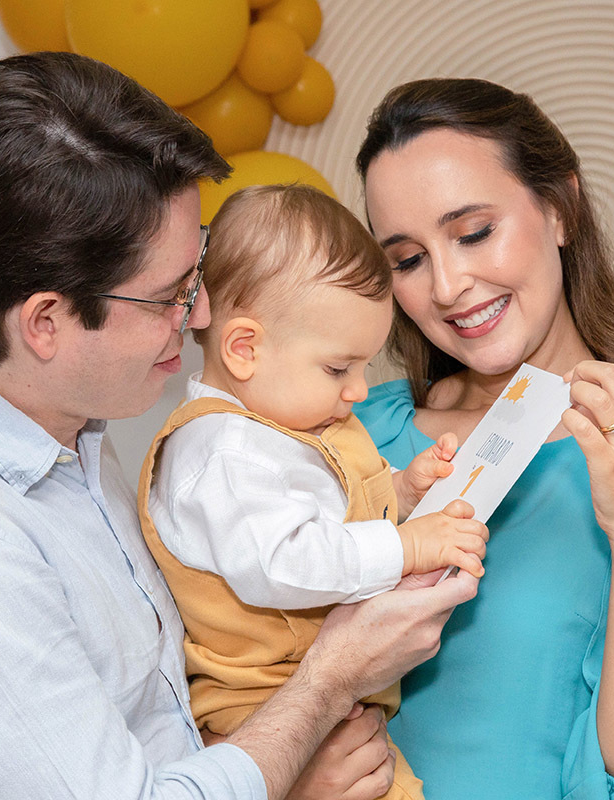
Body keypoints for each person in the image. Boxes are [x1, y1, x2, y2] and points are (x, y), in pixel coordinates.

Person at [0, 53, 478, 800]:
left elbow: (154, 724)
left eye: (197, 269)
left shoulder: (66, 431)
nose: (202, 312)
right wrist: (324, 691)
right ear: (45, 323)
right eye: (169, 295)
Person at [351, 78, 614, 799]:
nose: (446, 286)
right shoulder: (351, 437)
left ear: (561, 208)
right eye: (408, 259)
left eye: (474, 232)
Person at [137, 184, 489, 800]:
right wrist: (408, 547)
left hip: (333, 709)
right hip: (264, 711)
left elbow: (331, 515)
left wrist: (403, 491)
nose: (359, 390)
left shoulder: (284, 426)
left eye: (364, 367)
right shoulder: (224, 454)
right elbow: (287, 561)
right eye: (338, 368)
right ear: (244, 349)